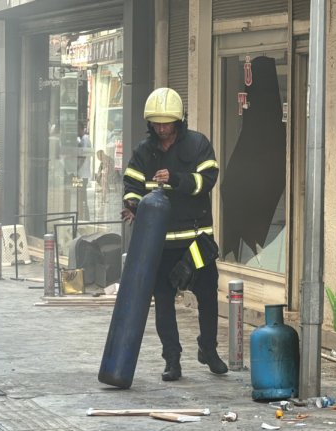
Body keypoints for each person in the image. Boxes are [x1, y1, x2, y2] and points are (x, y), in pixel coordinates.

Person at [121, 87, 228, 381]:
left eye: (166, 123)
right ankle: (172, 359)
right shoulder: (144, 152)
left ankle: (208, 349)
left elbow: (208, 180)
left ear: (178, 121)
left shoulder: (198, 145)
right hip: (162, 244)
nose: (161, 128)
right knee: (164, 300)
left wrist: (177, 178)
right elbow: (131, 183)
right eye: (156, 123)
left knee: (207, 296)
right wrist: (132, 204)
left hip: (196, 241)